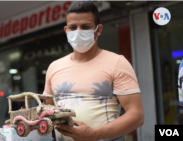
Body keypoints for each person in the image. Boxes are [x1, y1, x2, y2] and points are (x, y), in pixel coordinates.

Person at [43, 0, 144, 141]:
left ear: (99, 30)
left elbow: (137, 115)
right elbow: (46, 113)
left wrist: (94, 135)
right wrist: (22, 123)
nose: (78, 32)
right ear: (66, 31)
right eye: (73, 27)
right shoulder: (54, 67)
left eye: (85, 27)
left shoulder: (117, 63)